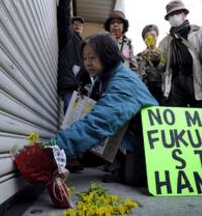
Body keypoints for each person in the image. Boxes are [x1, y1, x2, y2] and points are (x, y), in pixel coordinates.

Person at [53, 32, 158, 186]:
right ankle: (119, 165)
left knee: (133, 178)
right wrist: (89, 91)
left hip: (147, 141)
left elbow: (98, 124)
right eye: (85, 58)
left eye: (92, 57)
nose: (87, 63)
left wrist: (53, 149)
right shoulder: (104, 77)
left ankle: (126, 166)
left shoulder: (122, 82)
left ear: (107, 55)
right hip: (130, 135)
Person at [158, 0, 202, 107]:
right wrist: (156, 60)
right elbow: (162, 65)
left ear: (184, 14)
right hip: (174, 83)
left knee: (200, 113)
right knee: (176, 117)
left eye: (177, 13)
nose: (174, 17)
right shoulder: (165, 42)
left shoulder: (199, 32)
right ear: (168, 19)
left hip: (195, 78)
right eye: (171, 15)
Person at [57, 0, 91, 113]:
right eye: (75, 23)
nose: (78, 25)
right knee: (70, 122)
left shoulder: (84, 45)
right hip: (69, 87)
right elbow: (63, 18)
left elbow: (86, 68)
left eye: (80, 24)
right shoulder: (68, 36)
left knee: (78, 122)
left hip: (81, 91)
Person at [136, 24, 164, 102]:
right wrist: (143, 62)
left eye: (153, 35)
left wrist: (158, 61)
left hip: (162, 92)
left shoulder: (164, 54)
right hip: (145, 92)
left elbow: (167, 72)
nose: (151, 38)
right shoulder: (138, 56)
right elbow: (136, 76)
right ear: (144, 39)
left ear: (157, 36)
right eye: (147, 37)